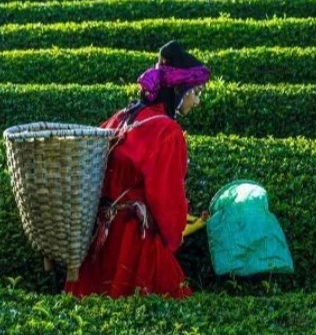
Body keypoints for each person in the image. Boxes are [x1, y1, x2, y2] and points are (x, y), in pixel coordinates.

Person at [65, 41, 210, 299]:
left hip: (99, 241)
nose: (196, 101)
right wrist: (176, 234)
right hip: (135, 241)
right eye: (195, 92)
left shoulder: (121, 117)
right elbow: (167, 198)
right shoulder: (167, 131)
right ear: (180, 90)